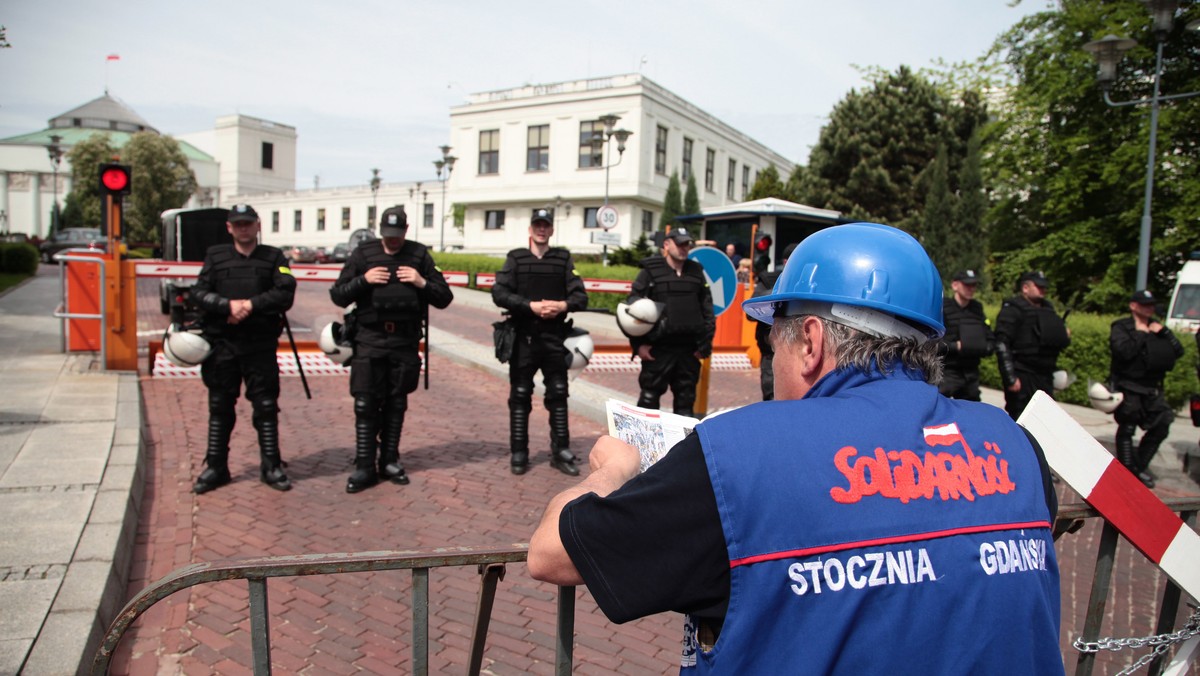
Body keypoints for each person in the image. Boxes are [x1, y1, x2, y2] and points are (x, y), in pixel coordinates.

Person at [529, 222, 1062, 674]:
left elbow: (551, 552)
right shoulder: (1016, 445)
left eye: (772, 339)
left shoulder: (740, 452)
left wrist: (613, 470)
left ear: (810, 342)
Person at [329, 206, 453, 493]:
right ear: (380, 230)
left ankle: (389, 459)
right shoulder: (364, 254)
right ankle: (364, 465)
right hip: (370, 339)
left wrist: (422, 282)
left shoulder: (419, 255)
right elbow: (338, 294)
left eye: (397, 235)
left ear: (406, 231)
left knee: (396, 403)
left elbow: (444, 297)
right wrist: (364, 280)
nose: (392, 241)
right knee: (365, 404)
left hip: (404, 341)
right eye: (388, 235)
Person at [189, 203, 296, 494]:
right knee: (220, 406)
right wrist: (226, 307)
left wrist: (250, 305)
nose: (243, 228)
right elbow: (198, 292)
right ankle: (216, 467)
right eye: (238, 224)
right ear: (229, 228)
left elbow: (286, 291)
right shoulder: (216, 256)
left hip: (259, 345)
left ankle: (271, 465)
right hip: (223, 344)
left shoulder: (274, 257)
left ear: (258, 225)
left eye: (248, 223)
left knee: (265, 406)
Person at [491, 209, 589, 476]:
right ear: (530, 229)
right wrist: (530, 306)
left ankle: (561, 451)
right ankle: (519, 452)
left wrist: (562, 305)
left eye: (546, 225)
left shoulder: (563, 258)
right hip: (524, 338)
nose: (541, 229)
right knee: (520, 396)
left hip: (554, 339)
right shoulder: (516, 258)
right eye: (537, 225)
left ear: (552, 230)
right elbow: (498, 292)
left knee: (558, 394)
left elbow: (581, 296)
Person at [627, 227, 715, 418]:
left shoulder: (696, 272)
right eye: (679, 243)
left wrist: (705, 345)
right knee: (648, 402)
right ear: (666, 245)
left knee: (685, 405)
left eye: (687, 244)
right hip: (658, 349)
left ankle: (682, 447)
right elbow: (632, 310)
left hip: (688, 351)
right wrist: (638, 345)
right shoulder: (650, 271)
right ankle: (641, 447)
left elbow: (708, 310)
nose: (684, 248)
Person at [1109, 289, 1183, 488]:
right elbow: (1123, 352)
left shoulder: (1158, 327)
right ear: (1134, 306)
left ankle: (1138, 467)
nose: (1150, 308)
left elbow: (1178, 351)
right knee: (1127, 427)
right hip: (1129, 385)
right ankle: (1125, 470)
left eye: (1151, 305)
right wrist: (1141, 334)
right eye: (1145, 305)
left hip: (1152, 388)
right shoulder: (1122, 327)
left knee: (1163, 423)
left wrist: (1165, 333)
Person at [994, 270, 1071, 420]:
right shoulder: (1013, 309)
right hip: (1022, 373)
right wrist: (1009, 377)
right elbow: (1002, 344)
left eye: (1044, 287)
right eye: (1038, 286)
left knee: (1044, 420)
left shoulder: (1048, 309)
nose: (1043, 290)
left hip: (1044, 375)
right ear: (1025, 288)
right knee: (1020, 418)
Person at [938, 269, 995, 401]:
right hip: (947, 371)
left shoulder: (977, 309)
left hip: (971, 372)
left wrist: (983, 347)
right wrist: (955, 346)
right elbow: (931, 341)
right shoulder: (943, 307)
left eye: (973, 285)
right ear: (955, 286)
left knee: (972, 412)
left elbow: (989, 337)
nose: (971, 289)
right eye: (967, 285)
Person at [751, 242, 797, 400]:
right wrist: (778, 296)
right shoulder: (769, 280)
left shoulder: (810, 282)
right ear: (786, 262)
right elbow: (751, 313)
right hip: (772, 350)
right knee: (772, 396)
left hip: (799, 352)